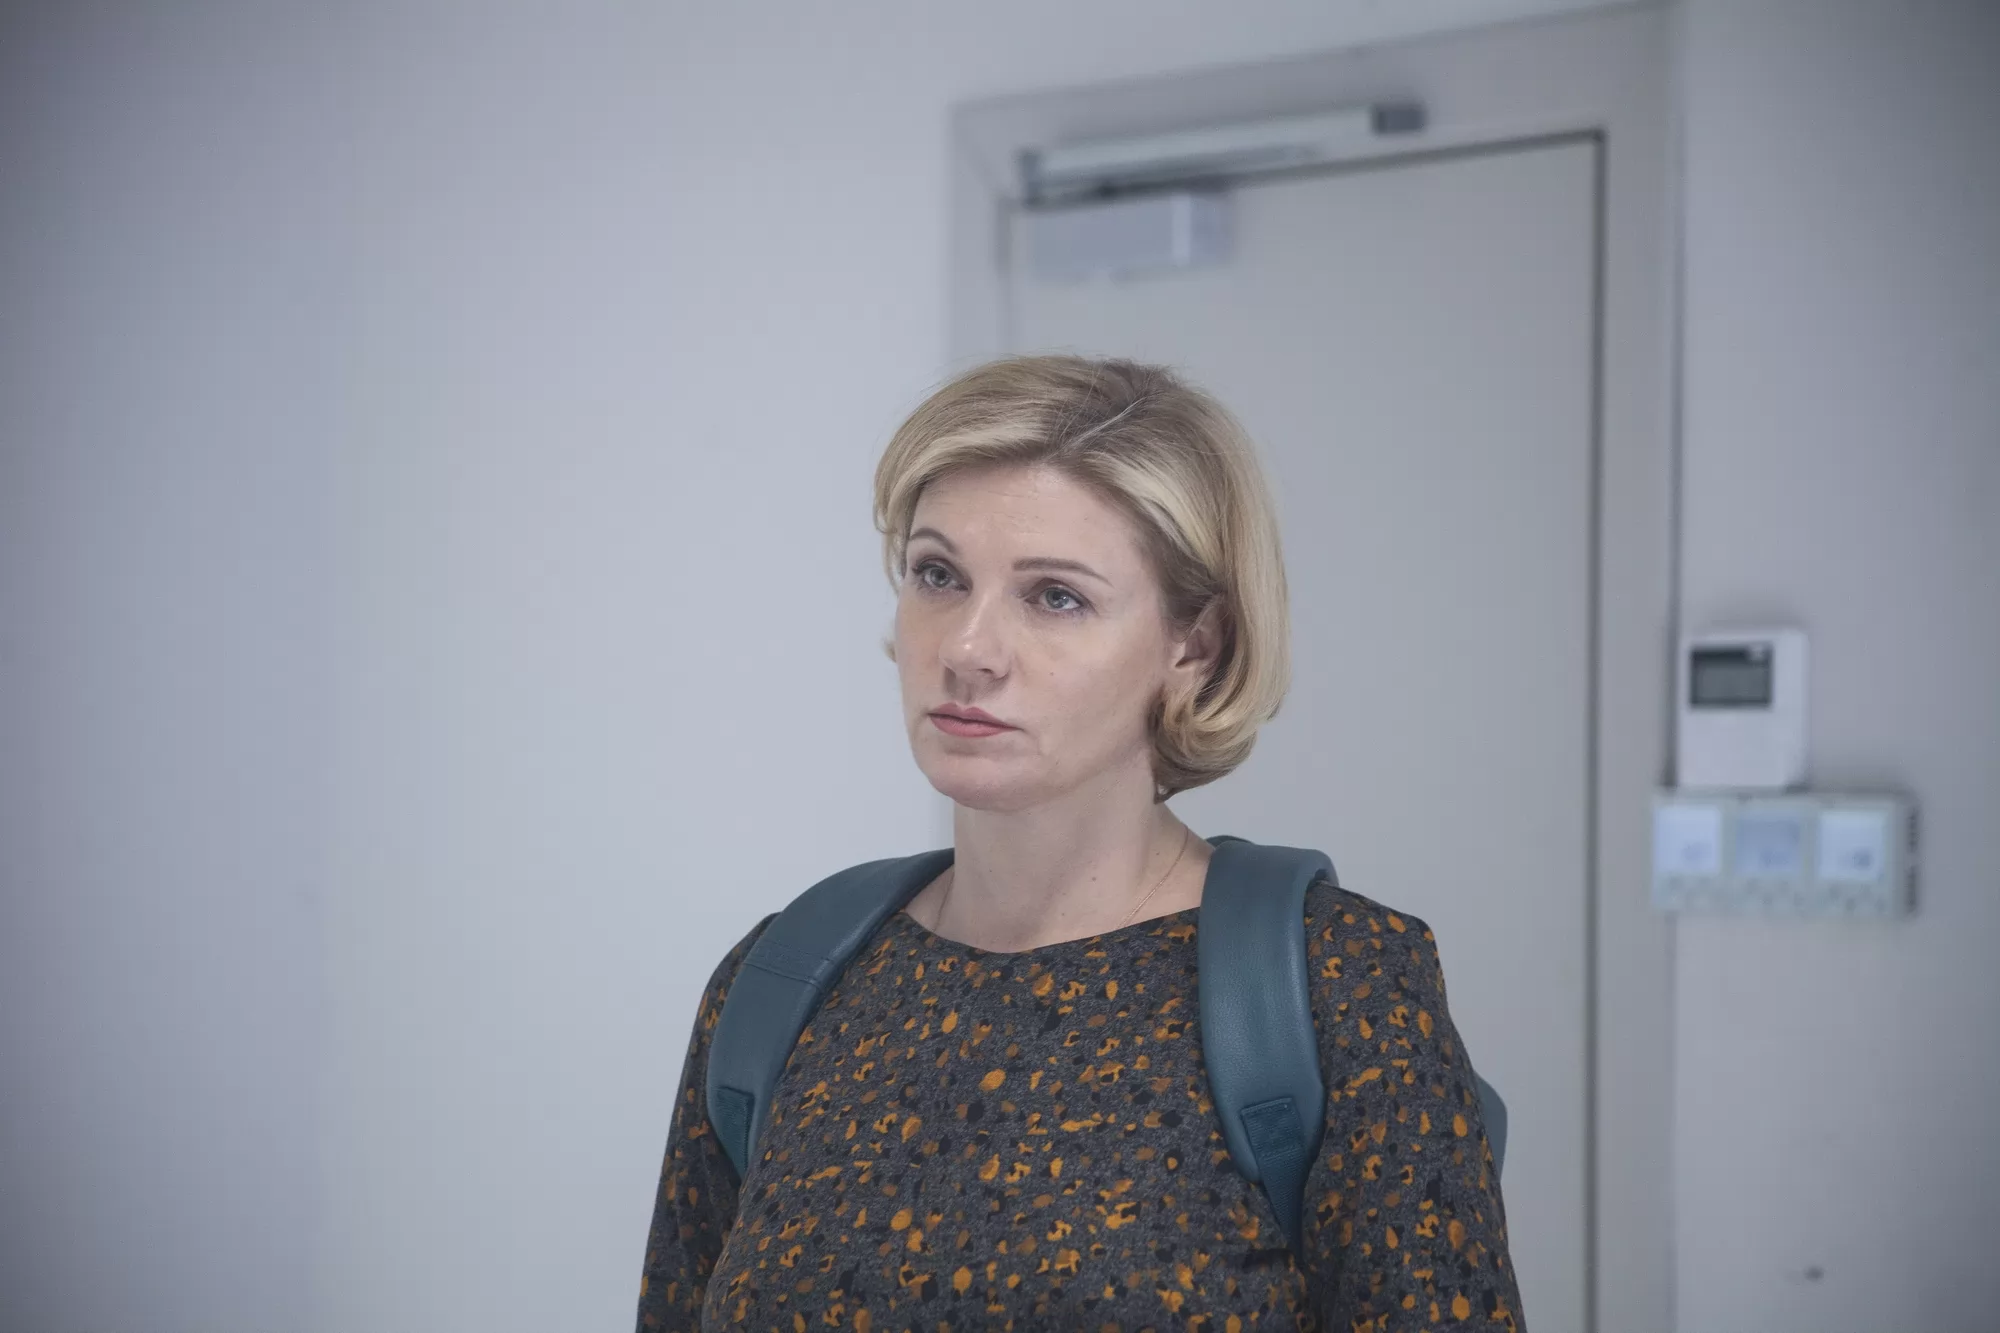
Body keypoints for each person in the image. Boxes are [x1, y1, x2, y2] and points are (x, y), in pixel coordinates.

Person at [636, 354, 1521, 1331]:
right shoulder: (778, 983)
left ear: (1195, 645)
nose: (967, 648)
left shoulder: (1340, 987)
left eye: (1055, 595)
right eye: (938, 575)